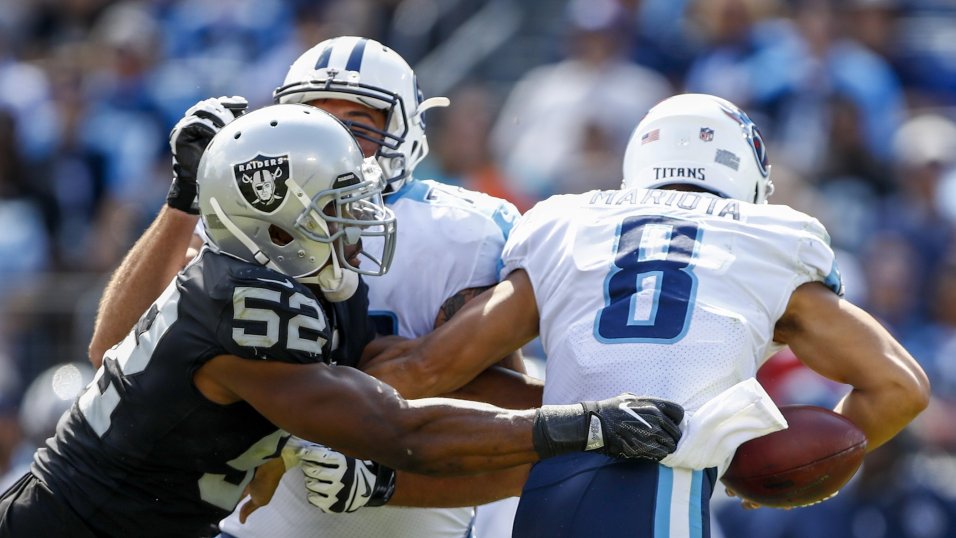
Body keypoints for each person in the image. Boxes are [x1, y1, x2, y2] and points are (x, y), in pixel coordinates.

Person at [0, 104, 684, 538]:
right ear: (274, 218)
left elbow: (394, 378)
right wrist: (585, 424)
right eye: (336, 205)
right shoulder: (249, 307)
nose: (359, 222)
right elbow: (401, 431)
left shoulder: (278, 281)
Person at [328, 93, 930, 537]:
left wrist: (301, 401)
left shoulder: (568, 224)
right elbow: (899, 387)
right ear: (746, 174)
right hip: (658, 496)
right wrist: (770, 470)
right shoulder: (771, 240)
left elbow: (429, 368)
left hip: (546, 494)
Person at [84, 36, 537, 537]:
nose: (335, 136)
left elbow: (501, 413)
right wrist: (182, 200)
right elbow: (113, 349)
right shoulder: (254, 219)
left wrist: (383, 471)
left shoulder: (468, 229)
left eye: (360, 122)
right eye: (317, 118)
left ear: (407, 129)